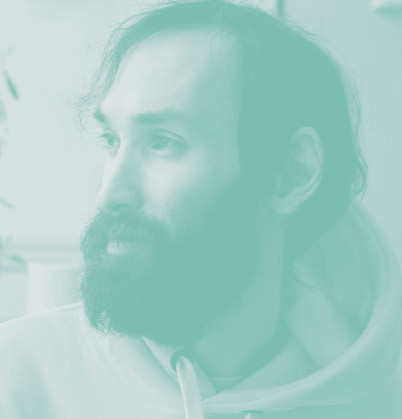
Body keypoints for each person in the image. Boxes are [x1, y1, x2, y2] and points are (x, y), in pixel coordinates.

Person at [1, 1, 402, 418]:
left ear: (289, 174)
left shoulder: (382, 407)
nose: (109, 194)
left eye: (163, 142)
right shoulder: (16, 379)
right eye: (111, 141)